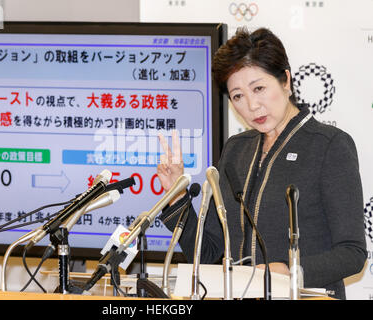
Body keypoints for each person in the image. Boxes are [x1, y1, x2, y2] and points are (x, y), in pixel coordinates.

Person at [156, 27, 367, 300]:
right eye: (238, 96)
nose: (252, 105)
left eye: (259, 88)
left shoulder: (329, 145)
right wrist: (177, 197)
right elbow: (208, 253)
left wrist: (291, 272)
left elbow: (352, 252)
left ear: (286, 80)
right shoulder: (236, 149)